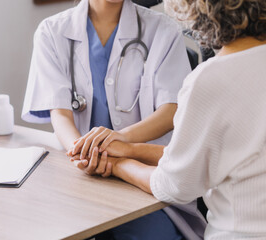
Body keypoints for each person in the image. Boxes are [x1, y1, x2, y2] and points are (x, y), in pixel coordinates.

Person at [73, 0, 266, 239]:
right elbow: (212, 157)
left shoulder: (210, 80)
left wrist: (115, 164)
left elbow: (173, 186)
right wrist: (131, 150)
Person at [22, 0, 206, 239]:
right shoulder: (52, 31)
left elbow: (172, 109)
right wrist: (82, 153)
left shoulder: (163, 29)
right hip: (81, 177)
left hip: (144, 181)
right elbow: (60, 112)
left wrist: (121, 139)